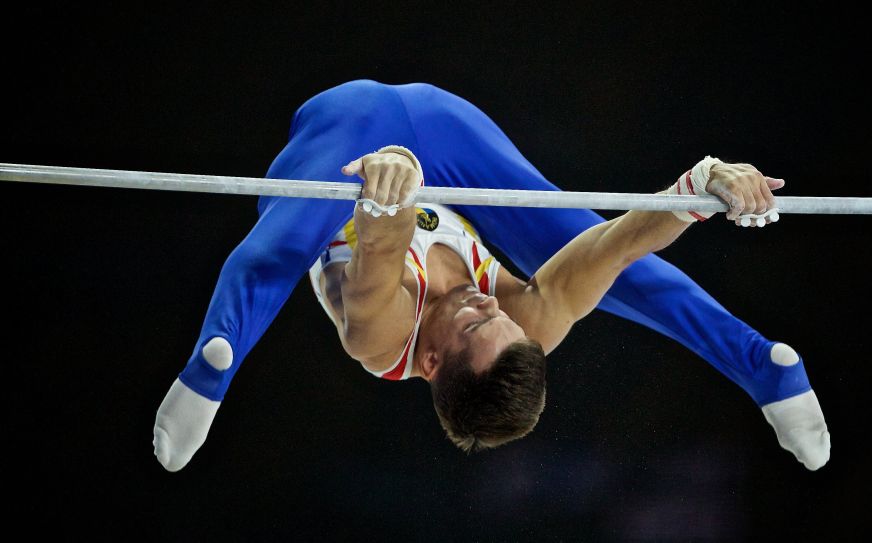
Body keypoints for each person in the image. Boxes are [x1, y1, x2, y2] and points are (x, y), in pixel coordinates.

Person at [153, 79, 830, 472]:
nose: (487, 297)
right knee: (595, 254)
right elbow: (617, 247)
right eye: (502, 316)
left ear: (430, 361)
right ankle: (765, 365)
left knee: (281, 239)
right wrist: (700, 185)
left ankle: (212, 364)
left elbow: (381, 252)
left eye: (477, 320)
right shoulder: (523, 327)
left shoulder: (380, 338)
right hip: (449, 137)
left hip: (346, 140)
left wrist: (391, 191)